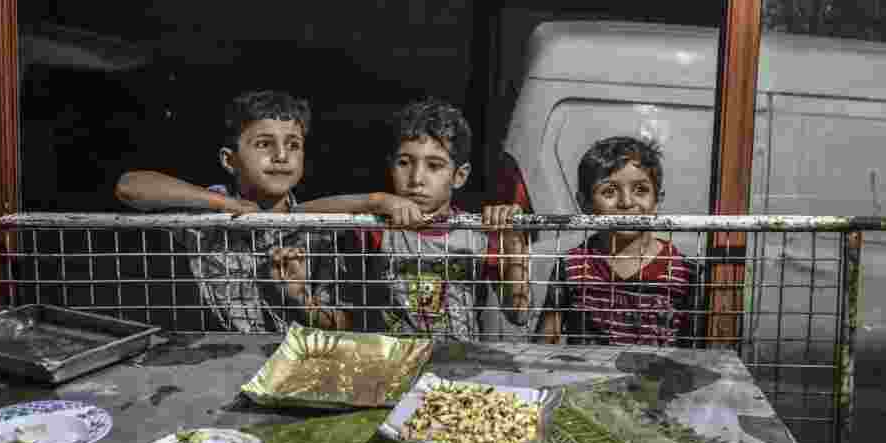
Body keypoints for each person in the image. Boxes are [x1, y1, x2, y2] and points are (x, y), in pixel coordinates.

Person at [296, 97, 530, 341]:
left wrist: (513, 241)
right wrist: (375, 201)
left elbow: (518, 313)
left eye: (434, 166)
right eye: (404, 163)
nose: (417, 178)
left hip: (458, 367)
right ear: (390, 166)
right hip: (391, 366)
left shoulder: (477, 234)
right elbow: (298, 214)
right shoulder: (377, 227)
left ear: (459, 176)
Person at [114, 90, 349, 332]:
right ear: (229, 160)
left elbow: (342, 324)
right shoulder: (209, 218)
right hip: (221, 360)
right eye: (264, 144)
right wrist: (225, 205)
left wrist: (299, 297)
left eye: (293, 145)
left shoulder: (317, 230)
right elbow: (129, 187)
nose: (281, 155)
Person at [537, 136, 693, 346]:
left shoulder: (684, 272)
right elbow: (544, 344)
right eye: (609, 191)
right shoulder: (571, 266)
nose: (626, 202)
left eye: (641, 190)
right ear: (584, 203)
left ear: (658, 199)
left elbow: (698, 352)